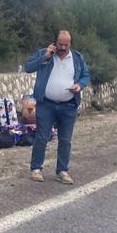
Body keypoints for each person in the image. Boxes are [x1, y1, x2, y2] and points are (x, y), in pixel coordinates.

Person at [23, 30, 91, 185]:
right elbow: (28, 68)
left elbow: (86, 76)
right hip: (46, 104)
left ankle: (62, 171)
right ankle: (36, 168)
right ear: (55, 42)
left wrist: (79, 86)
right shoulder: (45, 54)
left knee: (65, 140)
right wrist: (45, 56)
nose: (63, 47)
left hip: (69, 106)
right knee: (41, 137)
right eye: (60, 44)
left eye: (66, 44)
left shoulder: (77, 58)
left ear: (70, 44)